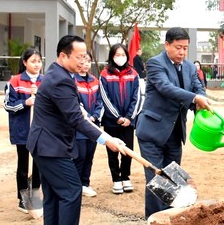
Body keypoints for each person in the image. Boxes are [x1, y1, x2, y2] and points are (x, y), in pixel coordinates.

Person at [26, 35, 127, 225]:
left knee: (54, 195)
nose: (83, 61)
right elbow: (76, 119)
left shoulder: (59, 74)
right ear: (63, 56)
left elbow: (73, 111)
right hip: (51, 148)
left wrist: (106, 135)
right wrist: (106, 140)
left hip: (45, 145)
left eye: (85, 56)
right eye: (79, 56)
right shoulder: (61, 79)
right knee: (72, 191)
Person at [135, 27, 212, 218]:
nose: (182, 52)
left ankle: (169, 217)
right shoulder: (155, 63)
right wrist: (195, 99)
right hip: (152, 131)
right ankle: (154, 220)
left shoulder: (189, 67)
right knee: (156, 180)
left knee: (173, 179)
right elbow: (166, 88)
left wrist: (200, 97)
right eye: (178, 47)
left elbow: (198, 87)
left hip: (175, 132)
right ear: (167, 44)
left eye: (185, 48)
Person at [3, 47, 43, 213]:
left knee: (39, 165)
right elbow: (7, 105)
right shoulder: (15, 82)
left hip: (41, 130)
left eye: (39, 61)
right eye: (33, 61)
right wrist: (25, 103)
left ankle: (34, 196)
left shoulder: (46, 81)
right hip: (22, 130)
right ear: (25, 62)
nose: (37, 64)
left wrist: (39, 96)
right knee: (23, 166)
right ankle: (22, 199)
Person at [99, 44, 141, 194]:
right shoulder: (105, 75)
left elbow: (137, 97)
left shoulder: (134, 74)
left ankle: (125, 177)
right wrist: (116, 117)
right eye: (117, 55)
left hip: (128, 122)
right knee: (113, 151)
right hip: (112, 122)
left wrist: (129, 117)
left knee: (127, 150)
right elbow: (105, 98)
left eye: (123, 54)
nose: (120, 57)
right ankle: (116, 179)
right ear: (112, 56)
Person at [73, 52, 103, 198]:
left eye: (88, 61)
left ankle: (85, 183)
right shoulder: (72, 81)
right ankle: (76, 185)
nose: (85, 64)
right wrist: (86, 117)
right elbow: (75, 103)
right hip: (79, 126)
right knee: (80, 156)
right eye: (82, 60)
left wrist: (95, 116)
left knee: (89, 156)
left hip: (93, 125)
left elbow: (100, 102)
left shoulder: (95, 81)